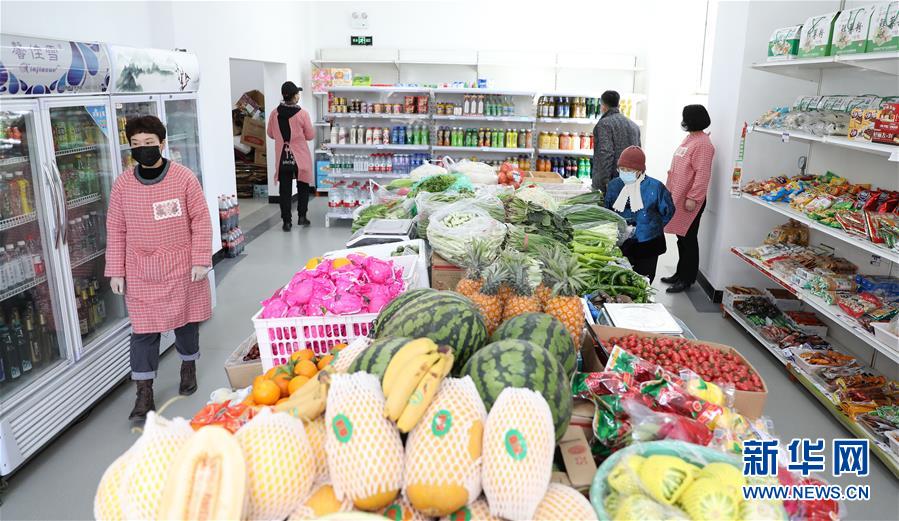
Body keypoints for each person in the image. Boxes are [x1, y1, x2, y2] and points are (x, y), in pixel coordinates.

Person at [105, 115, 212, 422]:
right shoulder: (123, 185)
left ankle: (188, 366)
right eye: (136, 144)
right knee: (143, 332)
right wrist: (116, 270)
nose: (143, 148)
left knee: (186, 323)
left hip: (181, 265)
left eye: (149, 143)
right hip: (141, 270)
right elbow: (116, 229)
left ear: (162, 144)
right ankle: (144, 393)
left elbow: (200, 220)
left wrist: (201, 259)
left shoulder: (183, 178)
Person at [661, 104, 715, 294]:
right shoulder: (690, 139)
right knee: (681, 237)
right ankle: (679, 273)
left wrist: (693, 197)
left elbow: (702, 174)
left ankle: (687, 278)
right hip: (678, 196)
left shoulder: (703, 144)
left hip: (690, 200)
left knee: (689, 239)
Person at [604, 146, 674, 283]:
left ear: (640, 170)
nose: (624, 173)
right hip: (622, 244)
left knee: (644, 281)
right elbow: (608, 210)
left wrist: (652, 226)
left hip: (648, 244)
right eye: (621, 169)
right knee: (622, 280)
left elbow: (669, 211)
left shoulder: (656, 187)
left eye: (629, 170)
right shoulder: (614, 185)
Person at [267, 81, 314, 231]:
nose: (299, 96)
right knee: (303, 186)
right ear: (294, 96)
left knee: (285, 190)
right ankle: (302, 217)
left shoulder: (274, 114)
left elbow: (270, 133)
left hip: (283, 156)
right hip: (300, 157)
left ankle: (286, 222)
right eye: (297, 93)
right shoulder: (302, 114)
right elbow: (310, 135)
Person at [592, 90, 641, 195]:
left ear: (603, 106)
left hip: (612, 184)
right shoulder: (634, 126)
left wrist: (604, 183)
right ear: (618, 105)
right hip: (632, 183)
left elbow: (605, 154)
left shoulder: (604, 124)